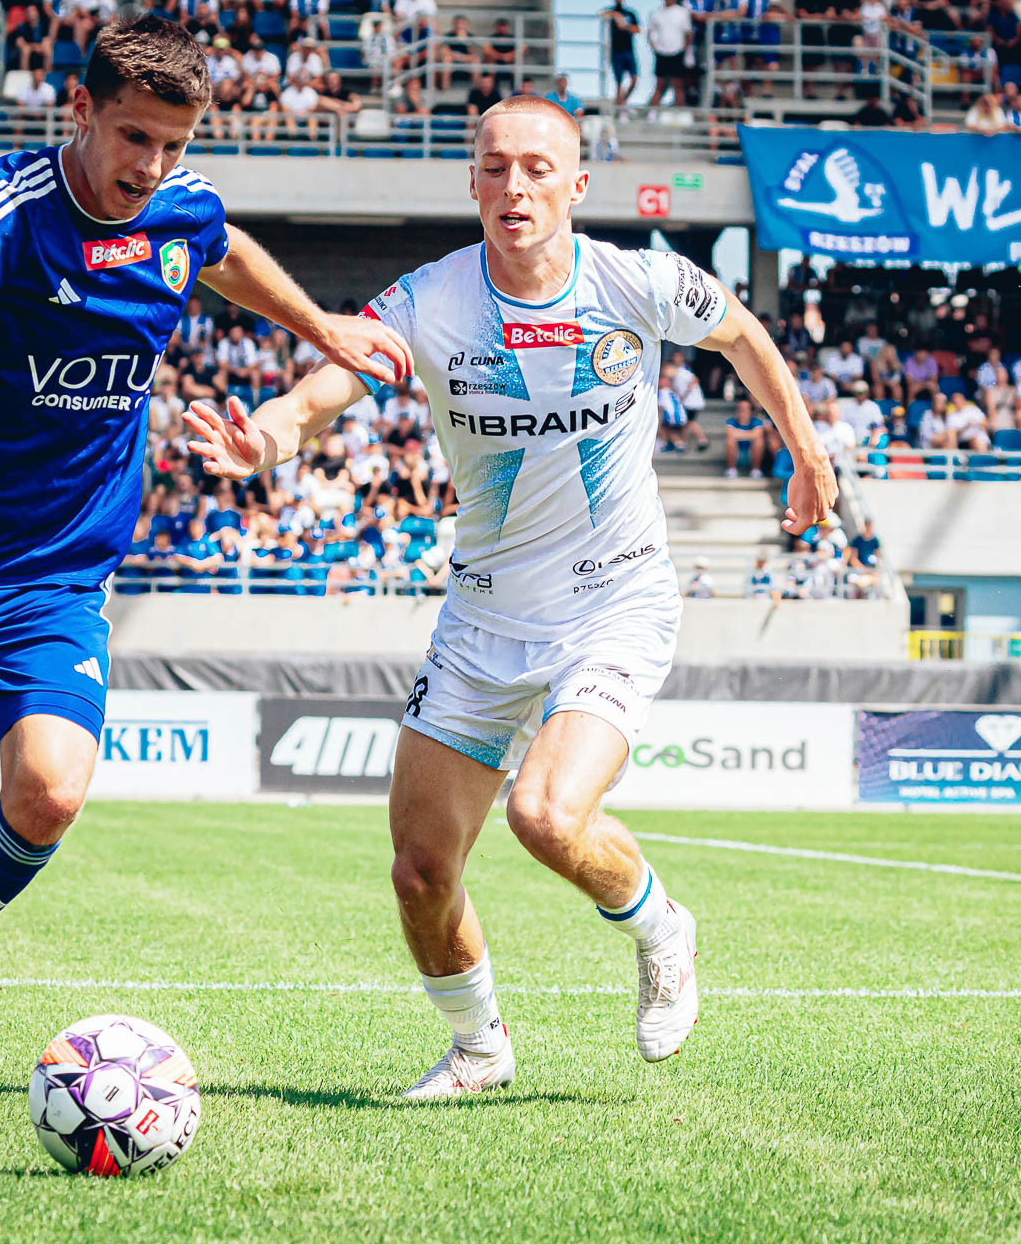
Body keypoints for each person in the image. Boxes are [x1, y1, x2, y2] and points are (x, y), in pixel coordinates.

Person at [0, 13, 411, 1113]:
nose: (153, 167)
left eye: (175, 145)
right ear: (80, 109)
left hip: (56, 570)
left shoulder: (179, 204)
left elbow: (220, 249)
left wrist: (321, 327)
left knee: (48, 790)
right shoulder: (4, 211)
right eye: (135, 137)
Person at [182, 94, 835, 1098]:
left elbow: (744, 334)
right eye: (494, 167)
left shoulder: (639, 281)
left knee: (546, 813)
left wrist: (806, 451)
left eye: (537, 168)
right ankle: (479, 1048)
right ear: (473, 183)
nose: (514, 186)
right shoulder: (431, 301)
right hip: (483, 617)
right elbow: (323, 392)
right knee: (419, 870)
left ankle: (662, 926)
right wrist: (264, 438)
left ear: (577, 184)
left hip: (614, 603)